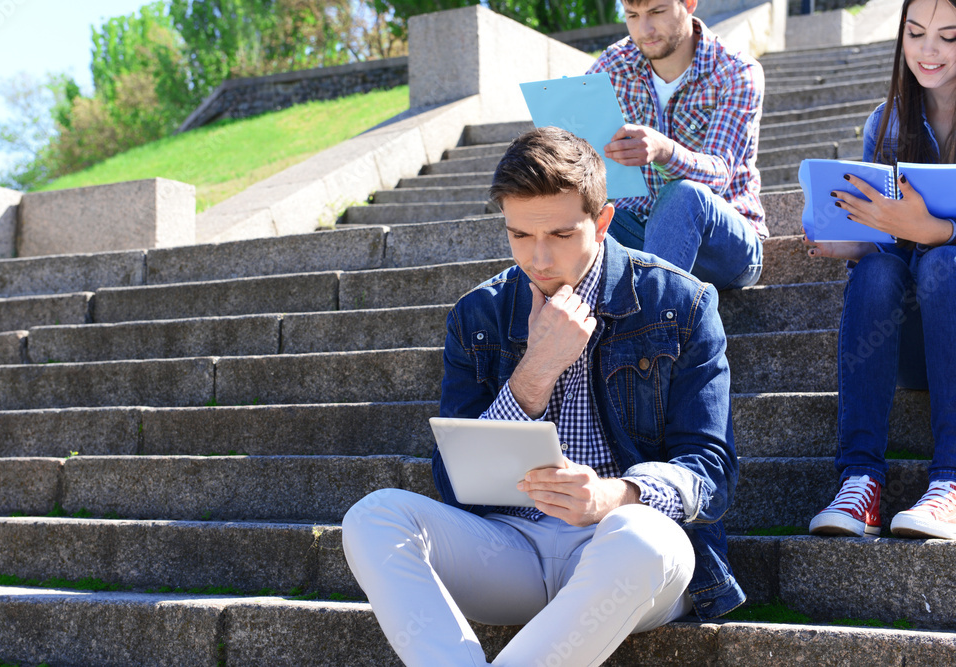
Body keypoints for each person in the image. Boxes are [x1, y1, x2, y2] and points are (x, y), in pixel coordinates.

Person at [342, 127, 743, 666]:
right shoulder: (480, 315)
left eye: (559, 234)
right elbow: (452, 481)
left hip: (620, 554)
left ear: (602, 223)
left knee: (647, 536)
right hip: (508, 550)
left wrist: (614, 495)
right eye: (519, 236)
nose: (539, 258)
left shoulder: (679, 303)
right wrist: (536, 370)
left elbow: (710, 473)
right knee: (373, 517)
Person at [806, 0, 956, 540]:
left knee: (943, 261)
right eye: (916, 34)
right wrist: (853, 243)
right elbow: (885, 250)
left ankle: (951, 482)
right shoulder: (886, 122)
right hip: (903, 340)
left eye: (948, 36)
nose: (929, 50)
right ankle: (860, 483)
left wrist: (935, 231)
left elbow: (933, 246)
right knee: (876, 273)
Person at [587, 0, 768, 290]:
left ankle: (652, 326)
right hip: (639, 231)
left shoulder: (736, 71)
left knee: (684, 194)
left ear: (690, 4)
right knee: (572, 220)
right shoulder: (613, 64)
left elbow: (719, 175)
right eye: (632, 16)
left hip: (721, 246)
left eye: (657, 12)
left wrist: (664, 151)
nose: (644, 29)